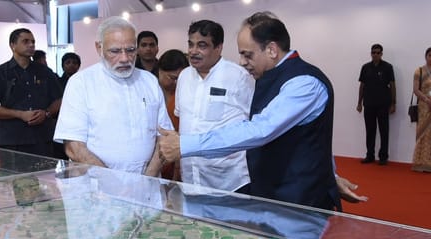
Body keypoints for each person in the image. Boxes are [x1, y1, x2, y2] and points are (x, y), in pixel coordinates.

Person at [159, 12, 366, 210]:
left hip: (299, 199)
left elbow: (260, 130)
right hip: (270, 193)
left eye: (247, 55)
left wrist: (185, 144)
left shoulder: (304, 84)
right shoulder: (267, 77)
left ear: (272, 50)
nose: (242, 62)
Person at [54, 17, 173, 176]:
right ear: (99, 48)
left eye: (130, 50)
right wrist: (113, 183)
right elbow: (74, 146)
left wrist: (147, 179)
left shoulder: (149, 81)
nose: (124, 58)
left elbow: (164, 137)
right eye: (115, 51)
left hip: (146, 183)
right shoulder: (81, 83)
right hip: (96, 185)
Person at [175, 19, 254, 193]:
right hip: (190, 180)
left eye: (202, 45)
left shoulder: (239, 76)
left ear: (218, 48)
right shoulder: (184, 76)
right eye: (190, 44)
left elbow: (253, 125)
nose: (193, 51)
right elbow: (183, 121)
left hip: (229, 182)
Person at [0, 28, 63, 166]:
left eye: (33, 42)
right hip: (13, 140)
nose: (31, 45)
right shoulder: (0, 73)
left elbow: (59, 99)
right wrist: (19, 114)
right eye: (25, 41)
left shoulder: (45, 72)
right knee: (16, 178)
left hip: (43, 138)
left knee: (46, 177)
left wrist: (47, 113)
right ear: (12, 45)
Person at [357, 44, 395, 165]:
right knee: (370, 131)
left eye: (378, 53)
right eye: (373, 52)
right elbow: (362, 85)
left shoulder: (388, 67)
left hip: (383, 104)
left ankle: (383, 157)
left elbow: (392, 85)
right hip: (369, 103)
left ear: (381, 54)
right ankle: (370, 155)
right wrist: (359, 103)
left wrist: (393, 103)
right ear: (371, 53)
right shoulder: (365, 67)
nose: (375, 55)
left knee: (384, 131)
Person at [157, 49, 189, 180]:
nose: (177, 83)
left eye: (180, 79)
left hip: (177, 159)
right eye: (173, 78)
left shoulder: (185, 96)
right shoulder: (149, 91)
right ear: (160, 71)